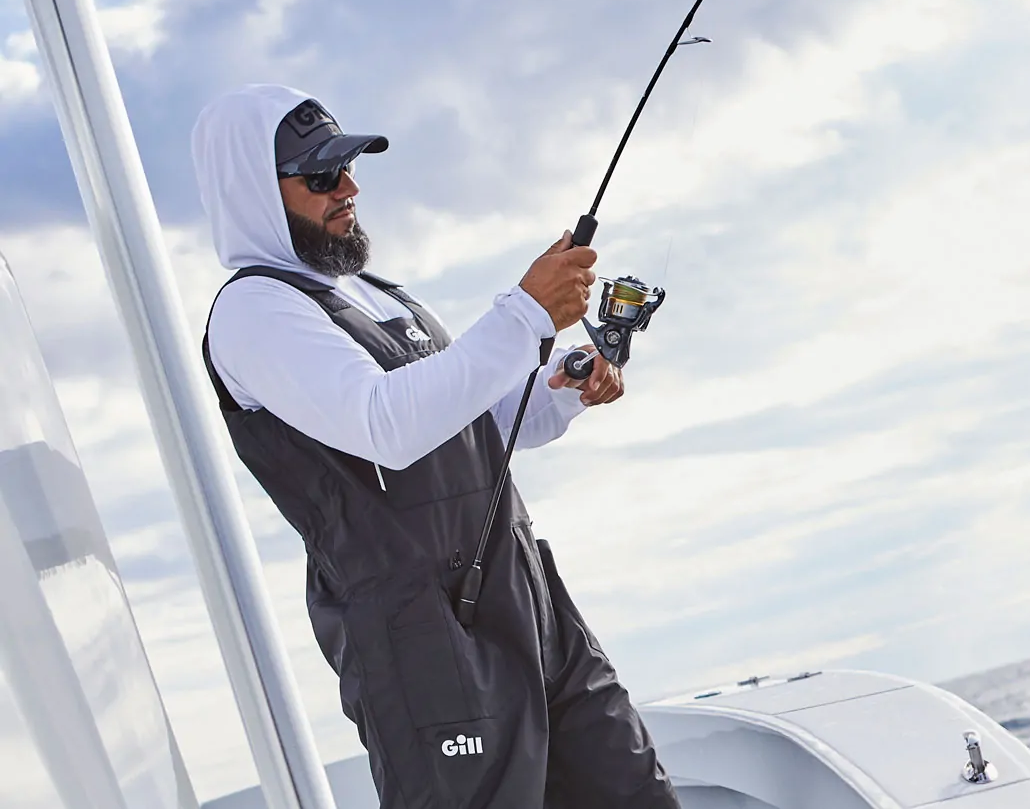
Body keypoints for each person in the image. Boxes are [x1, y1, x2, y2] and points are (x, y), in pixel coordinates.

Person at [193, 83, 679, 809]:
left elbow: (476, 427)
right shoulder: (252, 310)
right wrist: (525, 312)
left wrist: (561, 388)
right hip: (420, 635)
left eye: (348, 167)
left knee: (634, 793)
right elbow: (385, 427)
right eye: (321, 176)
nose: (349, 188)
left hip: (527, 595)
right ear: (254, 191)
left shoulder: (382, 295)